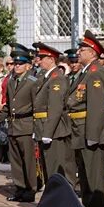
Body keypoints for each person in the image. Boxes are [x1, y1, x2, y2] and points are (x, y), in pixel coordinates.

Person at [68, 31, 104, 207]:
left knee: (93, 177)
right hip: (79, 131)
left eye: (82, 49)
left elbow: (97, 107)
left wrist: (93, 135)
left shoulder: (96, 73)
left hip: (88, 132)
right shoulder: (85, 72)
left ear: (92, 52)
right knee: (84, 175)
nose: (79, 52)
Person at [0, 45, 38, 202]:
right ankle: (19, 188)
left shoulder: (33, 81)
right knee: (16, 161)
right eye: (15, 63)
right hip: (13, 125)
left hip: (26, 125)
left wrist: (37, 126)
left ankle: (30, 189)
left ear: (28, 65)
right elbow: (8, 106)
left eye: (20, 64)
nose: (17, 66)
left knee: (28, 161)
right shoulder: (12, 81)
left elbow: (37, 105)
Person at [31, 42, 75, 184]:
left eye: (42, 57)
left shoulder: (57, 78)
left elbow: (55, 108)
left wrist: (47, 133)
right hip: (43, 127)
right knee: (48, 170)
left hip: (54, 131)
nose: (39, 60)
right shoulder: (46, 77)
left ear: (51, 59)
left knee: (55, 170)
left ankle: (61, 203)